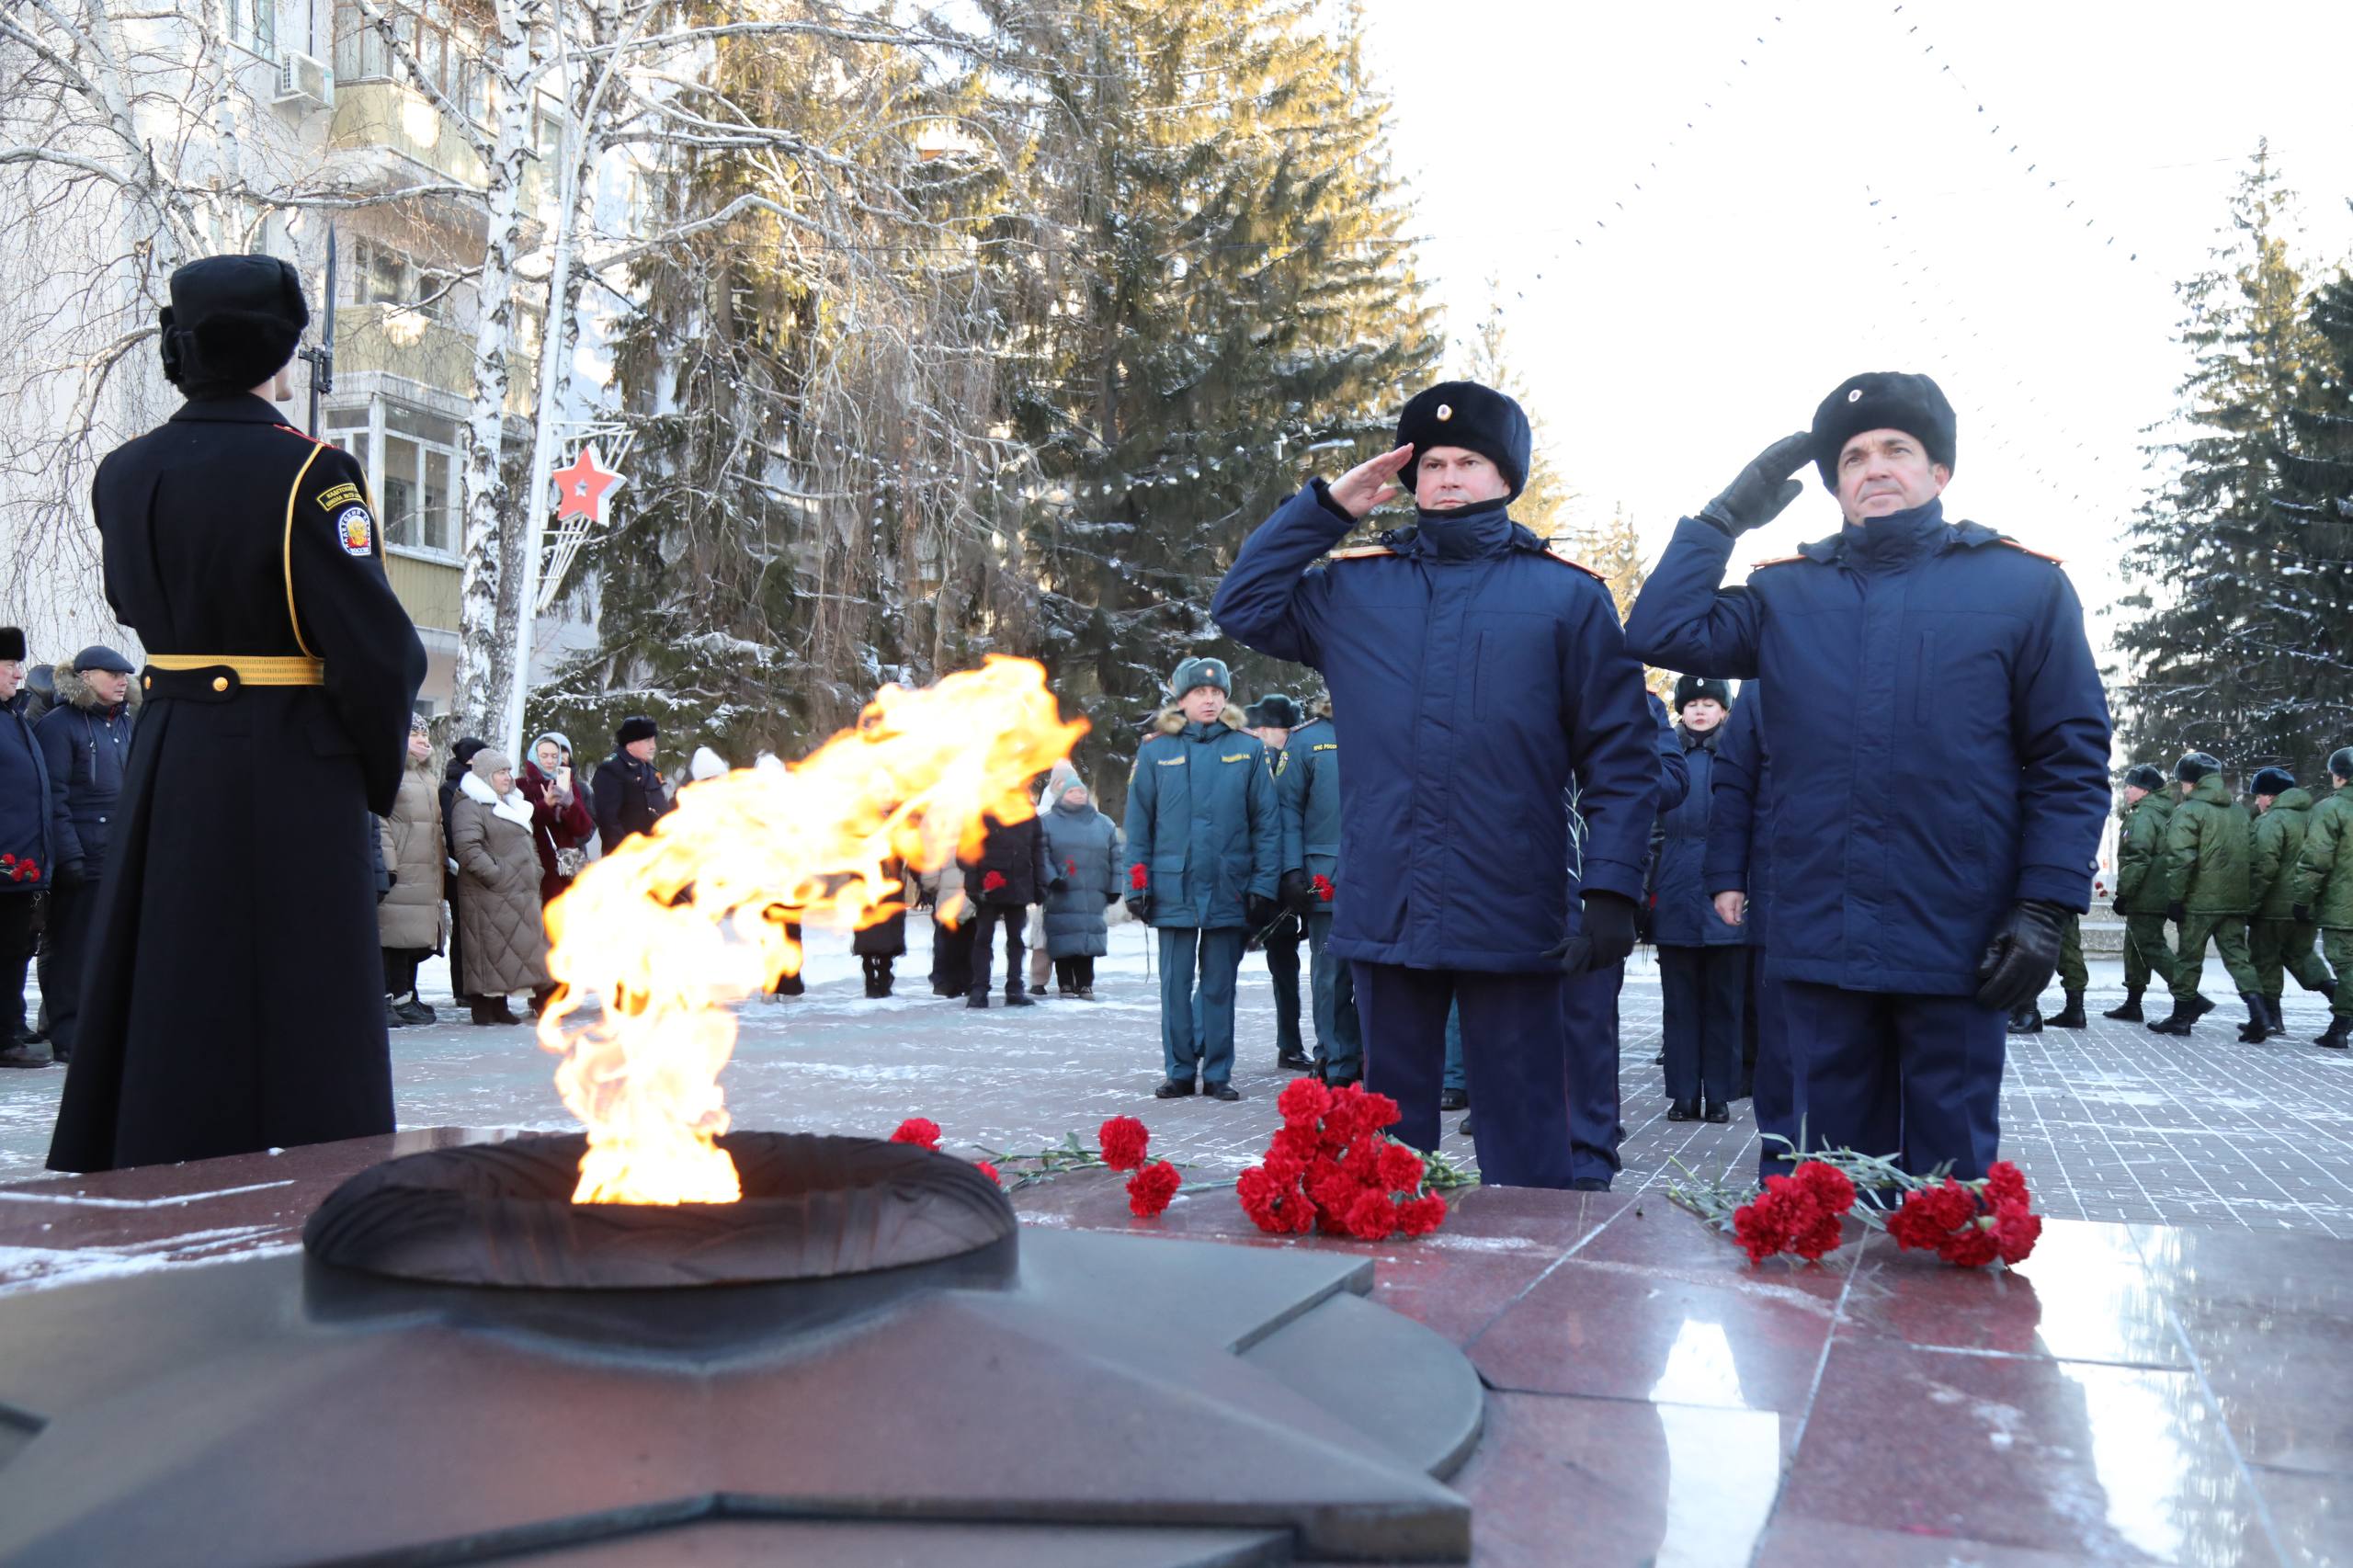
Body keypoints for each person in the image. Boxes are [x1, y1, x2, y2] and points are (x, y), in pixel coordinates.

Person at [1625, 371, 2109, 1182]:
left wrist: (2042, 907)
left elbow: (2069, 759)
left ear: (1939, 473)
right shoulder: (1788, 593)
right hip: (1816, 937)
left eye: (1897, 450)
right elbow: (1662, 629)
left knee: (1947, 1193)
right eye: (1851, 457)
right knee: (1814, 1185)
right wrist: (1723, 517)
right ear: (1834, 484)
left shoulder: (2023, 588)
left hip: (1958, 938)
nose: (1874, 467)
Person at [1211, 381, 1655, 1184]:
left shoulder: (1566, 596)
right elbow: (1241, 605)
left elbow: (1620, 757)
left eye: (1470, 462)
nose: (1447, 479)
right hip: (1389, 899)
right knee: (1387, 1148)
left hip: (1516, 909)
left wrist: (1613, 890)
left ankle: (1524, 1294)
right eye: (1433, 464)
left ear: (1506, 478)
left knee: (1525, 1147)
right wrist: (1327, 509)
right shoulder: (1352, 589)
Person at [48, 253, 426, 1173]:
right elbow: (380, 653)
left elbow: (132, 606)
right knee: (303, 992)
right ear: (278, 350)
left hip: (170, 745)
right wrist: (370, 770)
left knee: (175, 968)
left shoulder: (125, 471)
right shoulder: (313, 473)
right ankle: (311, 1175)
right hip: (292, 752)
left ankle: (156, 1154)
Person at [1123, 655, 1282, 1100]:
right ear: (1182, 699)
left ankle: (1217, 1072)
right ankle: (1178, 1070)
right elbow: (1139, 828)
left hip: (1230, 885)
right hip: (1173, 885)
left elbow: (1266, 825)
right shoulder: (1155, 752)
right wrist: (1136, 884)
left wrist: (1264, 885)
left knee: (1218, 986)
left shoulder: (1247, 750)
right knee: (1175, 986)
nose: (1209, 700)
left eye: (1217, 693)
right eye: (1200, 693)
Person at [31, 644, 137, 1065]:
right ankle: (67, 1032)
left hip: (118, 855)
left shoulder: (125, 724)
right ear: (87, 676)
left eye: (124, 675)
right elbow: (52, 797)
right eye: (112, 675)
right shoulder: (60, 726)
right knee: (71, 949)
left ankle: (104, 1027)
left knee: (111, 948)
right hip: (80, 858)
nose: (121, 681)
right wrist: (70, 856)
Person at [1706, 681, 1794, 1178]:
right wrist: (1726, 877)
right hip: (1780, 893)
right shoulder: (1765, 684)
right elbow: (1734, 783)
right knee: (1780, 1053)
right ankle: (1780, 1183)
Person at [1651, 675, 1746, 1123]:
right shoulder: (1667, 758)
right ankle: (1683, 1093)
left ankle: (1720, 1093)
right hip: (1674, 891)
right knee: (1679, 1003)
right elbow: (1650, 826)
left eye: (1709, 702)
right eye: (1692, 704)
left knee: (1724, 1002)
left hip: (1726, 896)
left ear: (1724, 710)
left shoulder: (1738, 756)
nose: (1700, 711)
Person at [1277, 697, 1360, 1085]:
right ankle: (1335, 1058)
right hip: (1325, 877)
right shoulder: (1307, 741)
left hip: (1384, 877)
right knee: (1330, 978)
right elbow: (1287, 810)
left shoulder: (1390, 722)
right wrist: (1292, 870)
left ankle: (1370, 1055)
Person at [2151, 752, 2263, 1041]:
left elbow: (2180, 859)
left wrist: (2175, 898)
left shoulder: (2189, 811)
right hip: (2235, 901)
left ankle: (2180, 1017)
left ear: (2191, 781)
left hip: (2199, 902)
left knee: (2189, 959)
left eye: (2182, 781)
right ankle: (2259, 1014)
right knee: (2239, 958)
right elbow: (2253, 857)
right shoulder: (2239, 812)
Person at [449, 748, 552, 1025]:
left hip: (517, 891)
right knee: (488, 948)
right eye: (500, 772)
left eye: (508, 771)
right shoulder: (469, 805)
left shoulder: (511, 803)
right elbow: (468, 848)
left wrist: (536, 870)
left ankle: (500, 1004)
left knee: (507, 952)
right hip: (488, 892)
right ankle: (483, 1007)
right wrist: (498, 875)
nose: (508, 777)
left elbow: (527, 842)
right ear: (485, 776)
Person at [0, 628, 59, 1068]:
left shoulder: (15, 717)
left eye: (18, 666)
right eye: (9, 667)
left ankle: (12, 1023)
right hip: (4, 857)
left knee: (18, 946)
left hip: (21, 859)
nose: (19, 674)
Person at [1245, 692, 1310, 1070]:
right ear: (1266, 730)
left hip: (1280, 887)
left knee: (1286, 971)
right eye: (1287, 730)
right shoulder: (1251, 761)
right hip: (1254, 884)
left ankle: (1290, 1043)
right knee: (1218, 972)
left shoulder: (1292, 761)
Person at [2247, 765, 2335, 1040]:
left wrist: (2251, 904)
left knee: (2265, 959)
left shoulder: (2272, 820)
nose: (2257, 802)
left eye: (2259, 796)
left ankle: (2272, 1019)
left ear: (2271, 796)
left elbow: (2264, 867)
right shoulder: (2315, 816)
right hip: (2308, 904)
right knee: (2301, 954)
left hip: (2274, 907)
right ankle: (2340, 996)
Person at [377, 714, 446, 1027]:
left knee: (412, 936)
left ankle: (404, 996)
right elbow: (381, 820)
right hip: (402, 867)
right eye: (414, 734)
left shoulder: (427, 777)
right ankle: (385, 997)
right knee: (392, 935)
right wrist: (389, 863)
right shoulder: (390, 772)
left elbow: (435, 826)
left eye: (425, 734)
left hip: (424, 868)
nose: (423, 740)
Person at [959, 795, 1054, 1008]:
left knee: (1016, 940)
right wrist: (974, 884)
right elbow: (966, 851)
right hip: (989, 886)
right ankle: (979, 989)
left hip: (1018, 885)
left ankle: (1014, 988)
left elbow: (1038, 852)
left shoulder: (1029, 816)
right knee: (983, 938)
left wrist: (1040, 884)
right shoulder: (981, 813)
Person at [2106, 763, 2180, 1021]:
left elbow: (2137, 857)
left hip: (2146, 893)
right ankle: (2133, 1003)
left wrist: (2124, 893)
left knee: (2150, 946)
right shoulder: (2163, 813)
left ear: (2146, 791)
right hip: (2156, 891)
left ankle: (2188, 996)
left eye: (2131, 786)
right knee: (2135, 947)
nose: (2126, 791)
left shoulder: (2144, 816)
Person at [1039, 768, 1122, 997]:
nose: (1078, 795)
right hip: (1061, 891)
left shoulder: (1103, 824)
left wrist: (1115, 887)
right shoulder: (1048, 823)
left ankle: (1085, 983)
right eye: (1072, 791)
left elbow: (1116, 857)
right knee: (1063, 936)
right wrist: (1051, 878)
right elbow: (1041, 854)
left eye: (1081, 791)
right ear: (1062, 795)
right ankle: (1065, 983)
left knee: (1088, 938)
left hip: (1093, 892)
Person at [2290, 746, 2353, 1050]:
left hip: (2343, 906)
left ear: (2341, 776)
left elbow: (2316, 861)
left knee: (2345, 964)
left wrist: (2302, 899)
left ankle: (2340, 1025)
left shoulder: (2331, 809)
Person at [520, 731, 597, 907]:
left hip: (566, 868)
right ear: (534, 756)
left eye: (554, 756)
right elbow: (523, 826)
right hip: (536, 868)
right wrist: (545, 806)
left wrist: (571, 805)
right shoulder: (522, 786)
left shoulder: (569, 786)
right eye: (544, 756)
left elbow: (583, 828)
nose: (550, 761)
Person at [592, 715, 673, 855]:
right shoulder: (612, 769)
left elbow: (660, 808)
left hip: (656, 854)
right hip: (627, 859)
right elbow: (608, 821)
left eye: (654, 740)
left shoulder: (650, 769)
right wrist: (629, 854)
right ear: (630, 743)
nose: (653, 746)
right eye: (647, 740)